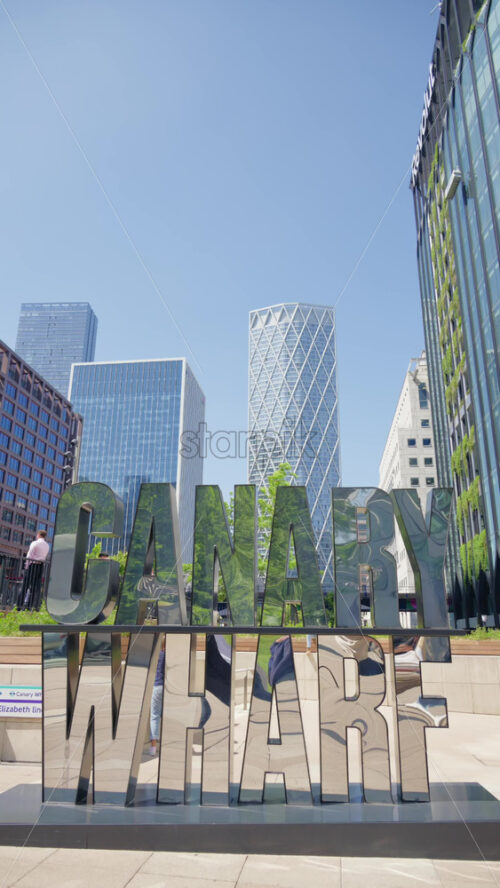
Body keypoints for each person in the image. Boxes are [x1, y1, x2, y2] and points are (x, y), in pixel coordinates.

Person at [19, 530, 50, 610]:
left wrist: (26, 567)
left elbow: (29, 556)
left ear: (38, 535)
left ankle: (19, 606)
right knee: (34, 587)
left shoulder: (35, 543)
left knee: (25, 586)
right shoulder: (47, 545)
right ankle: (29, 606)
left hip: (32, 566)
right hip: (40, 567)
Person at [149, 638, 165, 755]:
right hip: (168, 688)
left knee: (155, 716)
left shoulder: (156, 656)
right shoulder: (170, 657)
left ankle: (153, 748)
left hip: (156, 686)